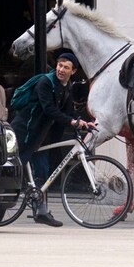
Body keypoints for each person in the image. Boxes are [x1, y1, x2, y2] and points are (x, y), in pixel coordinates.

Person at [11, 52, 94, 227]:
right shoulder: (45, 83)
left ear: (73, 71)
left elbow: (69, 112)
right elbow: (49, 109)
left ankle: (41, 211)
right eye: (60, 65)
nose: (61, 70)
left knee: (43, 170)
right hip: (27, 130)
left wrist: (84, 122)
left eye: (66, 67)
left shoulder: (67, 87)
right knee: (17, 167)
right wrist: (72, 122)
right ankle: (11, 201)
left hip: (41, 134)